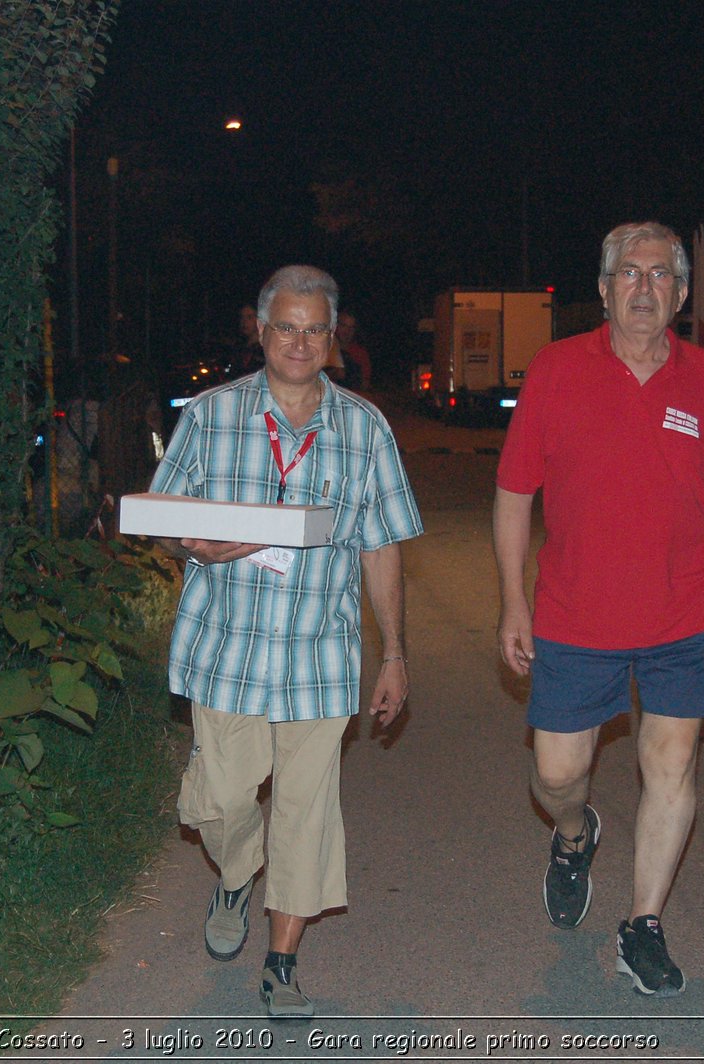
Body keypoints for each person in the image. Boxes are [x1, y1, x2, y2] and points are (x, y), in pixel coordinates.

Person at [493, 221, 704, 998]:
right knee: (558, 771)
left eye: (660, 275)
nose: (644, 287)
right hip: (576, 615)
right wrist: (513, 600)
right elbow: (515, 495)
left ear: (680, 295)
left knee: (672, 763)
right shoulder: (554, 370)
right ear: (606, 290)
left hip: (686, 613)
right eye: (629, 273)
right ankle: (576, 836)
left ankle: (642, 924)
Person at [149, 264, 423, 1019]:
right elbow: (163, 511)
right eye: (285, 327)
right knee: (223, 798)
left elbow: (383, 546)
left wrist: (394, 653)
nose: (299, 342)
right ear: (260, 331)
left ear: (332, 341)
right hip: (226, 647)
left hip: (318, 654)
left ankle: (282, 961)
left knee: (308, 809)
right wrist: (191, 545)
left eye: (314, 330)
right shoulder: (210, 416)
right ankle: (237, 873)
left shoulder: (365, 428)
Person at [333, 311, 373, 391]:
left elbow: (365, 384)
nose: (347, 332)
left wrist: (351, 375)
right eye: (343, 326)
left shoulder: (360, 354)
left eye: (351, 328)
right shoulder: (324, 349)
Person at [230, 304, 264, 373]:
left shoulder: (266, 349)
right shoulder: (238, 348)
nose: (244, 322)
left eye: (249, 317)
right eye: (242, 318)